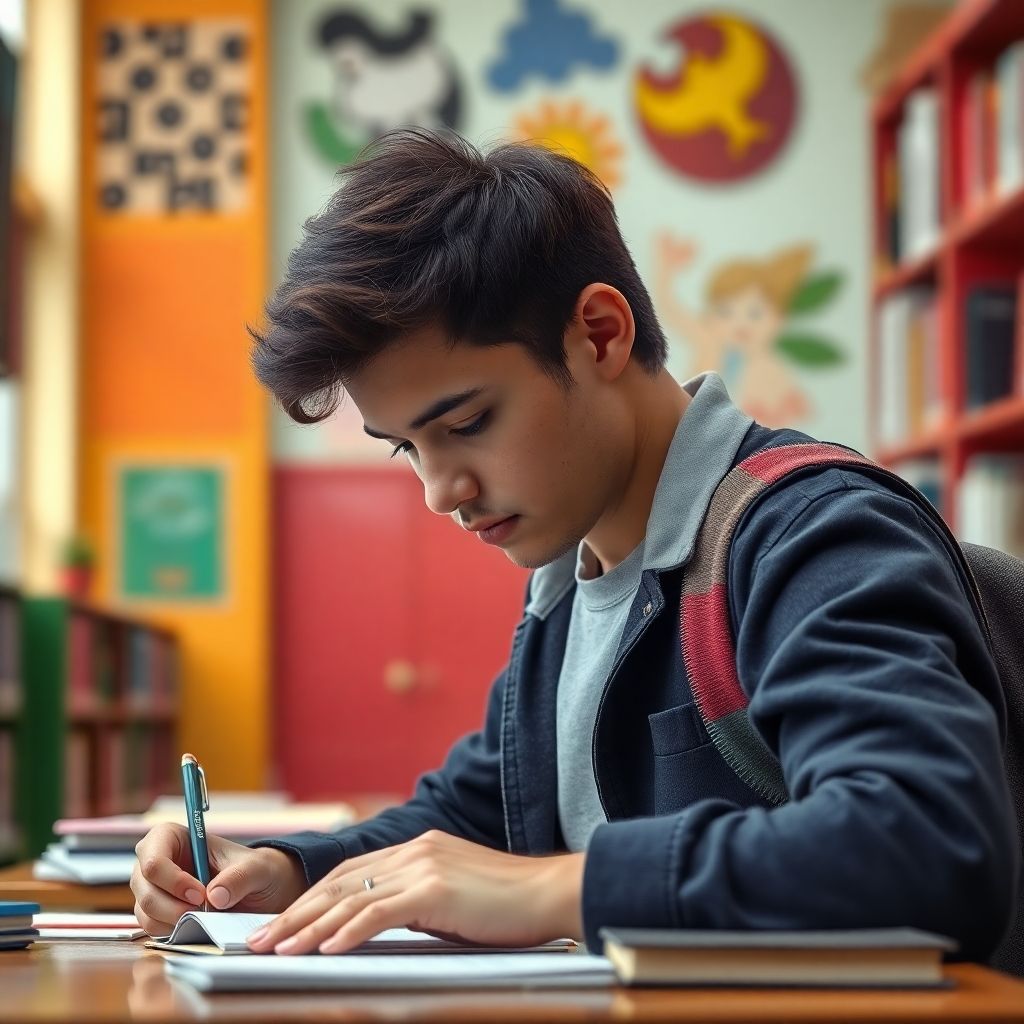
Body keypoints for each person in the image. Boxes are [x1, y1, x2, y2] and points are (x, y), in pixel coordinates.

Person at [131, 128, 1018, 960]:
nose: (442, 492)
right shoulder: (574, 573)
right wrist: (293, 870)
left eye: (468, 423)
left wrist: (558, 891)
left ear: (600, 332)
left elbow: (926, 839)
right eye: (408, 448)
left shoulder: (809, 533)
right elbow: (479, 810)